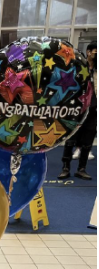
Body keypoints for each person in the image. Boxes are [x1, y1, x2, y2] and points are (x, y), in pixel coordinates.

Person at [59, 41, 97, 181]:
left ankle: (82, 169)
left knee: (87, 141)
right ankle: (65, 168)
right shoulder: (79, 66)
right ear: (88, 52)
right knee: (71, 139)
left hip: (93, 111)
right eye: (95, 51)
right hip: (77, 109)